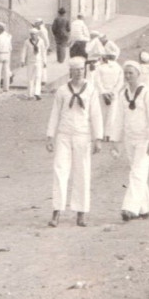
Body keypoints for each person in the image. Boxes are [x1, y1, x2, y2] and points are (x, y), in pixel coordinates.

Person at [46, 56, 103, 227]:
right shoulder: (62, 90)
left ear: (84, 70)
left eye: (81, 69)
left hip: (82, 135)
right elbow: (55, 113)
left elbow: (96, 114)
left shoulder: (91, 90)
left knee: (82, 172)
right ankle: (57, 211)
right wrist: (50, 136)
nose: (78, 73)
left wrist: (97, 138)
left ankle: (81, 212)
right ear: (70, 71)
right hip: (64, 134)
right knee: (60, 170)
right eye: (75, 70)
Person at [110, 61, 149, 221]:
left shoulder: (146, 92)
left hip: (144, 138)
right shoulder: (123, 93)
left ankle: (129, 208)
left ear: (138, 74)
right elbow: (119, 118)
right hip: (130, 138)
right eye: (126, 73)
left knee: (138, 171)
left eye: (131, 73)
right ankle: (144, 208)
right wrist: (114, 139)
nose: (128, 76)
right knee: (137, 171)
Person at [93, 51, 124, 141]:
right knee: (112, 114)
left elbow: (97, 81)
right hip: (113, 94)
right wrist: (113, 92)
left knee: (101, 114)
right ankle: (108, 135)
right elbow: (120, 82)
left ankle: (100, 134)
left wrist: (103, 92)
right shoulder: (118, 68)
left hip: (102, 94)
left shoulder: (100, 68)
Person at [20, 27, 47, 100]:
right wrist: (22, 60)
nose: (33, 36)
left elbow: (43, 51)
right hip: (30, 62)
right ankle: (30, 94)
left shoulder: (41, 41)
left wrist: (45, 61)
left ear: (37, 34)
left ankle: (37, 93)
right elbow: (24, 51)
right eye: (31, 34)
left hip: (39, 61)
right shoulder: (27, 42)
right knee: (30, 78)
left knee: (38, 77)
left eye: (34, 34)